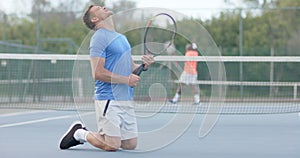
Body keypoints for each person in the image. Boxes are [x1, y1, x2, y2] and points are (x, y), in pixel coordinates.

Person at [59, 5, 154, 151]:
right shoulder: (99, 37)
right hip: (108, 98)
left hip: (125, 98)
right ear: (95, 19)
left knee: (130, 145)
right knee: (112, 145)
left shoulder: (121, 38)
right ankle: (79, 133)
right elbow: (98, 73)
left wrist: (144, 66)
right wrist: (126, 80)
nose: (103, 6)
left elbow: (129, 66)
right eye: (98, 8)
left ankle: (89, 134)